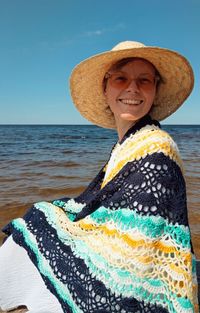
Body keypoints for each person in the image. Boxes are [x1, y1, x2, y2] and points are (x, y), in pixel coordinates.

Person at [0, 41, 199, 313]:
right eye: (121, 78)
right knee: (41, 217)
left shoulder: (157, 148)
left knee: (38, 226)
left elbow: (142, 237)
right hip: (124, 251)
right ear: (106, 89)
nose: (132, 88)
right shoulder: (126, 145)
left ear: (155, 90)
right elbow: (101, 205)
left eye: (144, 80)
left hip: (137, 270)